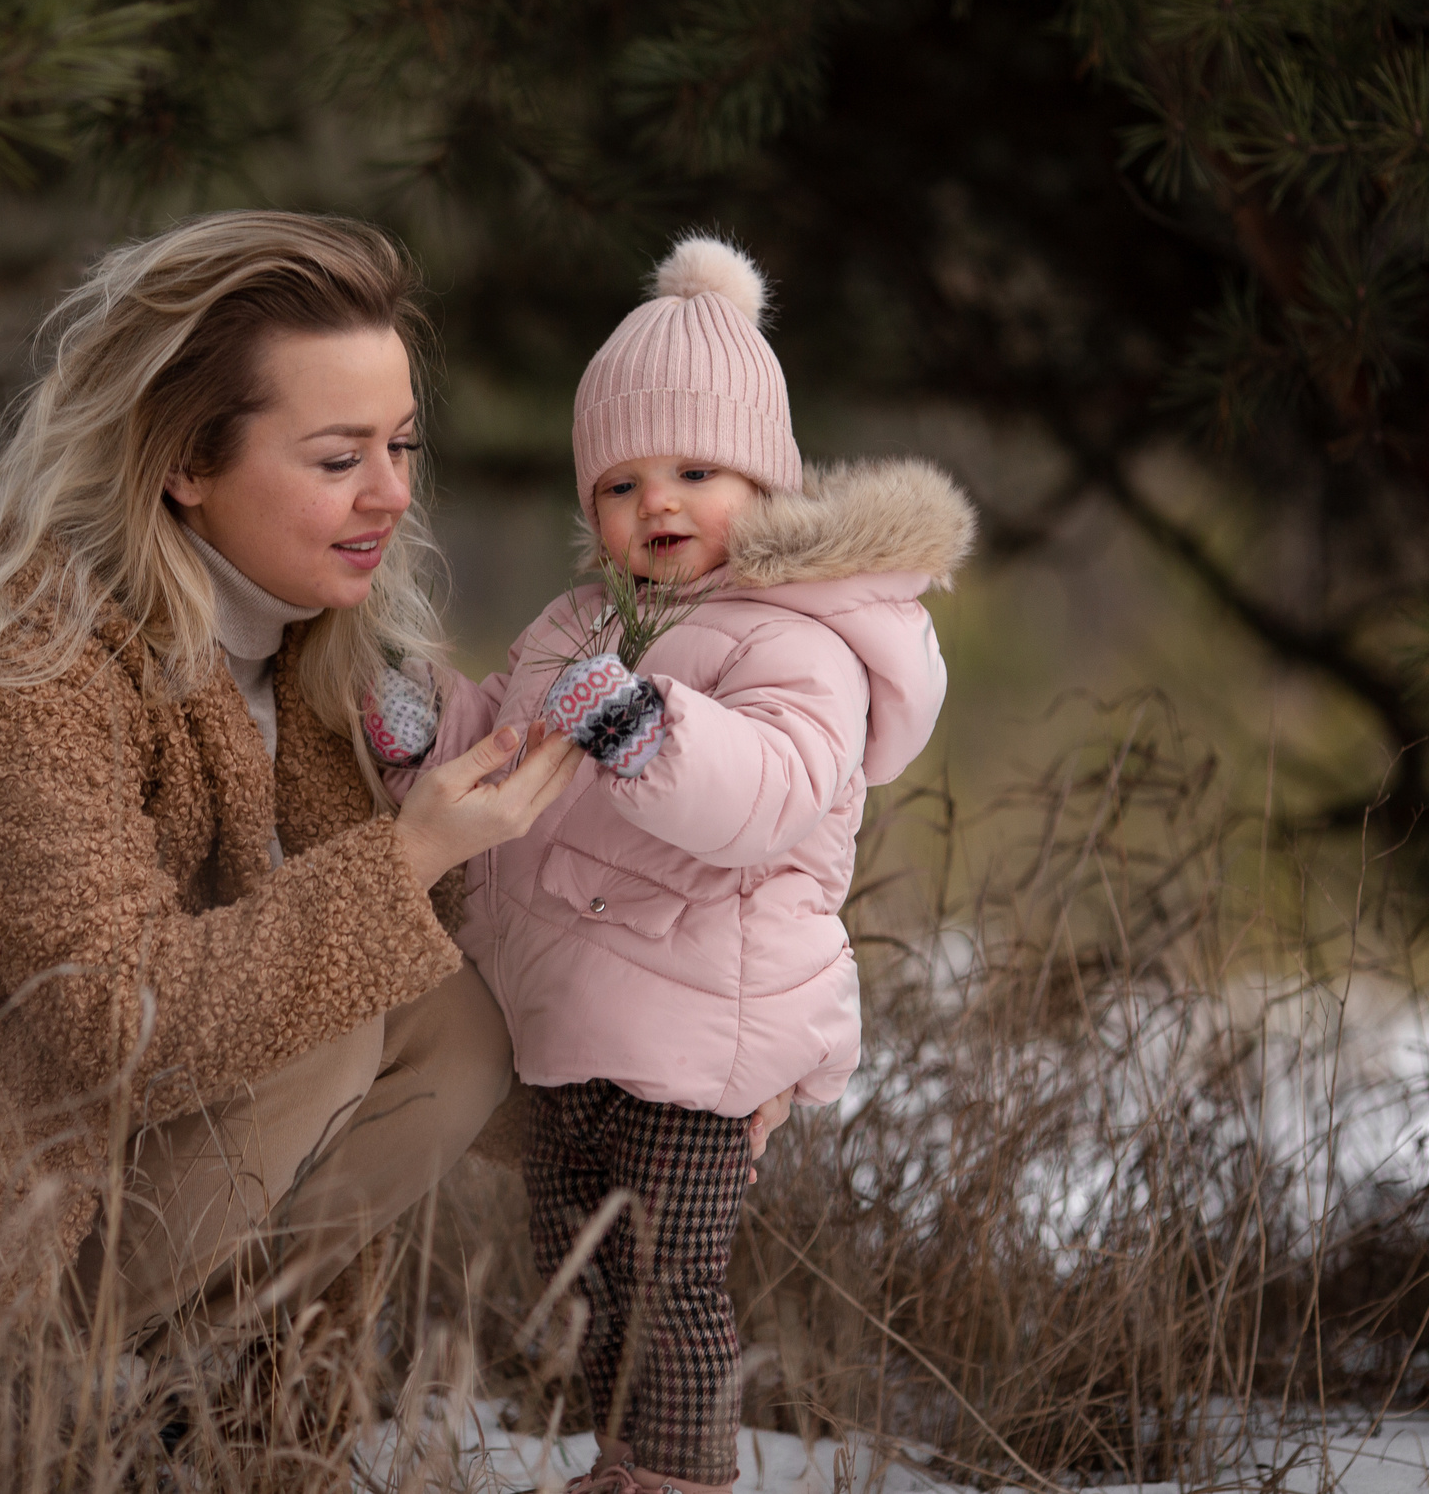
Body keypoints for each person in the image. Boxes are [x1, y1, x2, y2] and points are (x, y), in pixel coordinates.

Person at [0, 210, 582, 1363]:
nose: (390, 495)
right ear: (183, 462)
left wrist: (701, 1089)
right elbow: (118, 1021)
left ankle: (195, 1415)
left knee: (451, 1024)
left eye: (403, 447)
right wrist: (410, 853)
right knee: (322, 1023)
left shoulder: (310, 662)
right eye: (338, 459)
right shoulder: (19, 669)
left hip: (66, 1170)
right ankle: (7, 1409)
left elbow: (444, 978)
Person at [365, 236, 975, 1493]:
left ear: (767, 481)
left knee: (669, 1274)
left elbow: (768, 792)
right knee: (580, 1268)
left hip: (706, 1034)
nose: (658, 504)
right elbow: (518, 734)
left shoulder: (794, 642)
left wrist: (641, 725)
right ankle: (619, 1457)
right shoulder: (581, 624)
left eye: (697, 470)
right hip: (573, 1026)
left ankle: (682, 1472)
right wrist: (431, 725)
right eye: (621, 483)